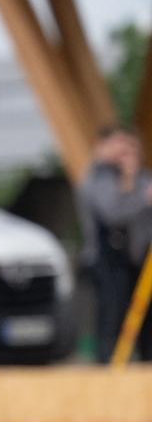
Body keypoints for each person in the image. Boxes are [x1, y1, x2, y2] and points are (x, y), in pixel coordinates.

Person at [83, 124, 151, 361]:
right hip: (109, 263)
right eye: (121, 147)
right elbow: (114, 212)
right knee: (112, 318)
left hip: (138, 260)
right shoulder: (99, 179)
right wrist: (138, 193)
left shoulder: (142, 179)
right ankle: (109, 368)